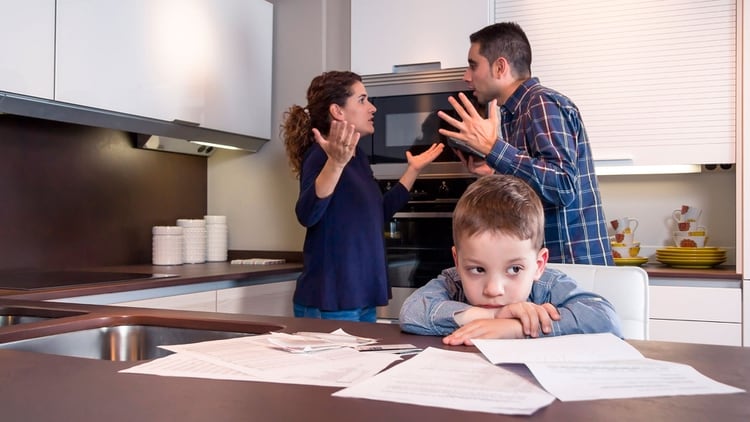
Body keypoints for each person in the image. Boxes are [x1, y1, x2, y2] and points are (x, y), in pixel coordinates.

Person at [437, 22, 613, 265]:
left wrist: (493, 148)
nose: (466, 77)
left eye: (472, 65)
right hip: (550, 266)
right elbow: (538, 186)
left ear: (500, 67)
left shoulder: (541, 103)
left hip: (573, 266)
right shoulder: (513, 113)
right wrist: (494, 171)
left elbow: (562, 186)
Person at [282, 70, 444, 322]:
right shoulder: (321, 154)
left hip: (361, 296)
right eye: (362, 100)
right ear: (338, 111)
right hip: (332, 299)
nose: (372, 108)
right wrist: (335, 164)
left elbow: (377, 214)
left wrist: (413, 170)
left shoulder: (357, 158)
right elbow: (307, 213)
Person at [399, 174, 622, 345]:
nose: (494, 290)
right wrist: (493, 315)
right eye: (477, 269)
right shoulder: (452, 281)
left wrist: (516, 327)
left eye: (514, 269)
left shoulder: (548, 285)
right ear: (457, 261)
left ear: (538, 265)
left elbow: (606, 319)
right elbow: (411, 313)